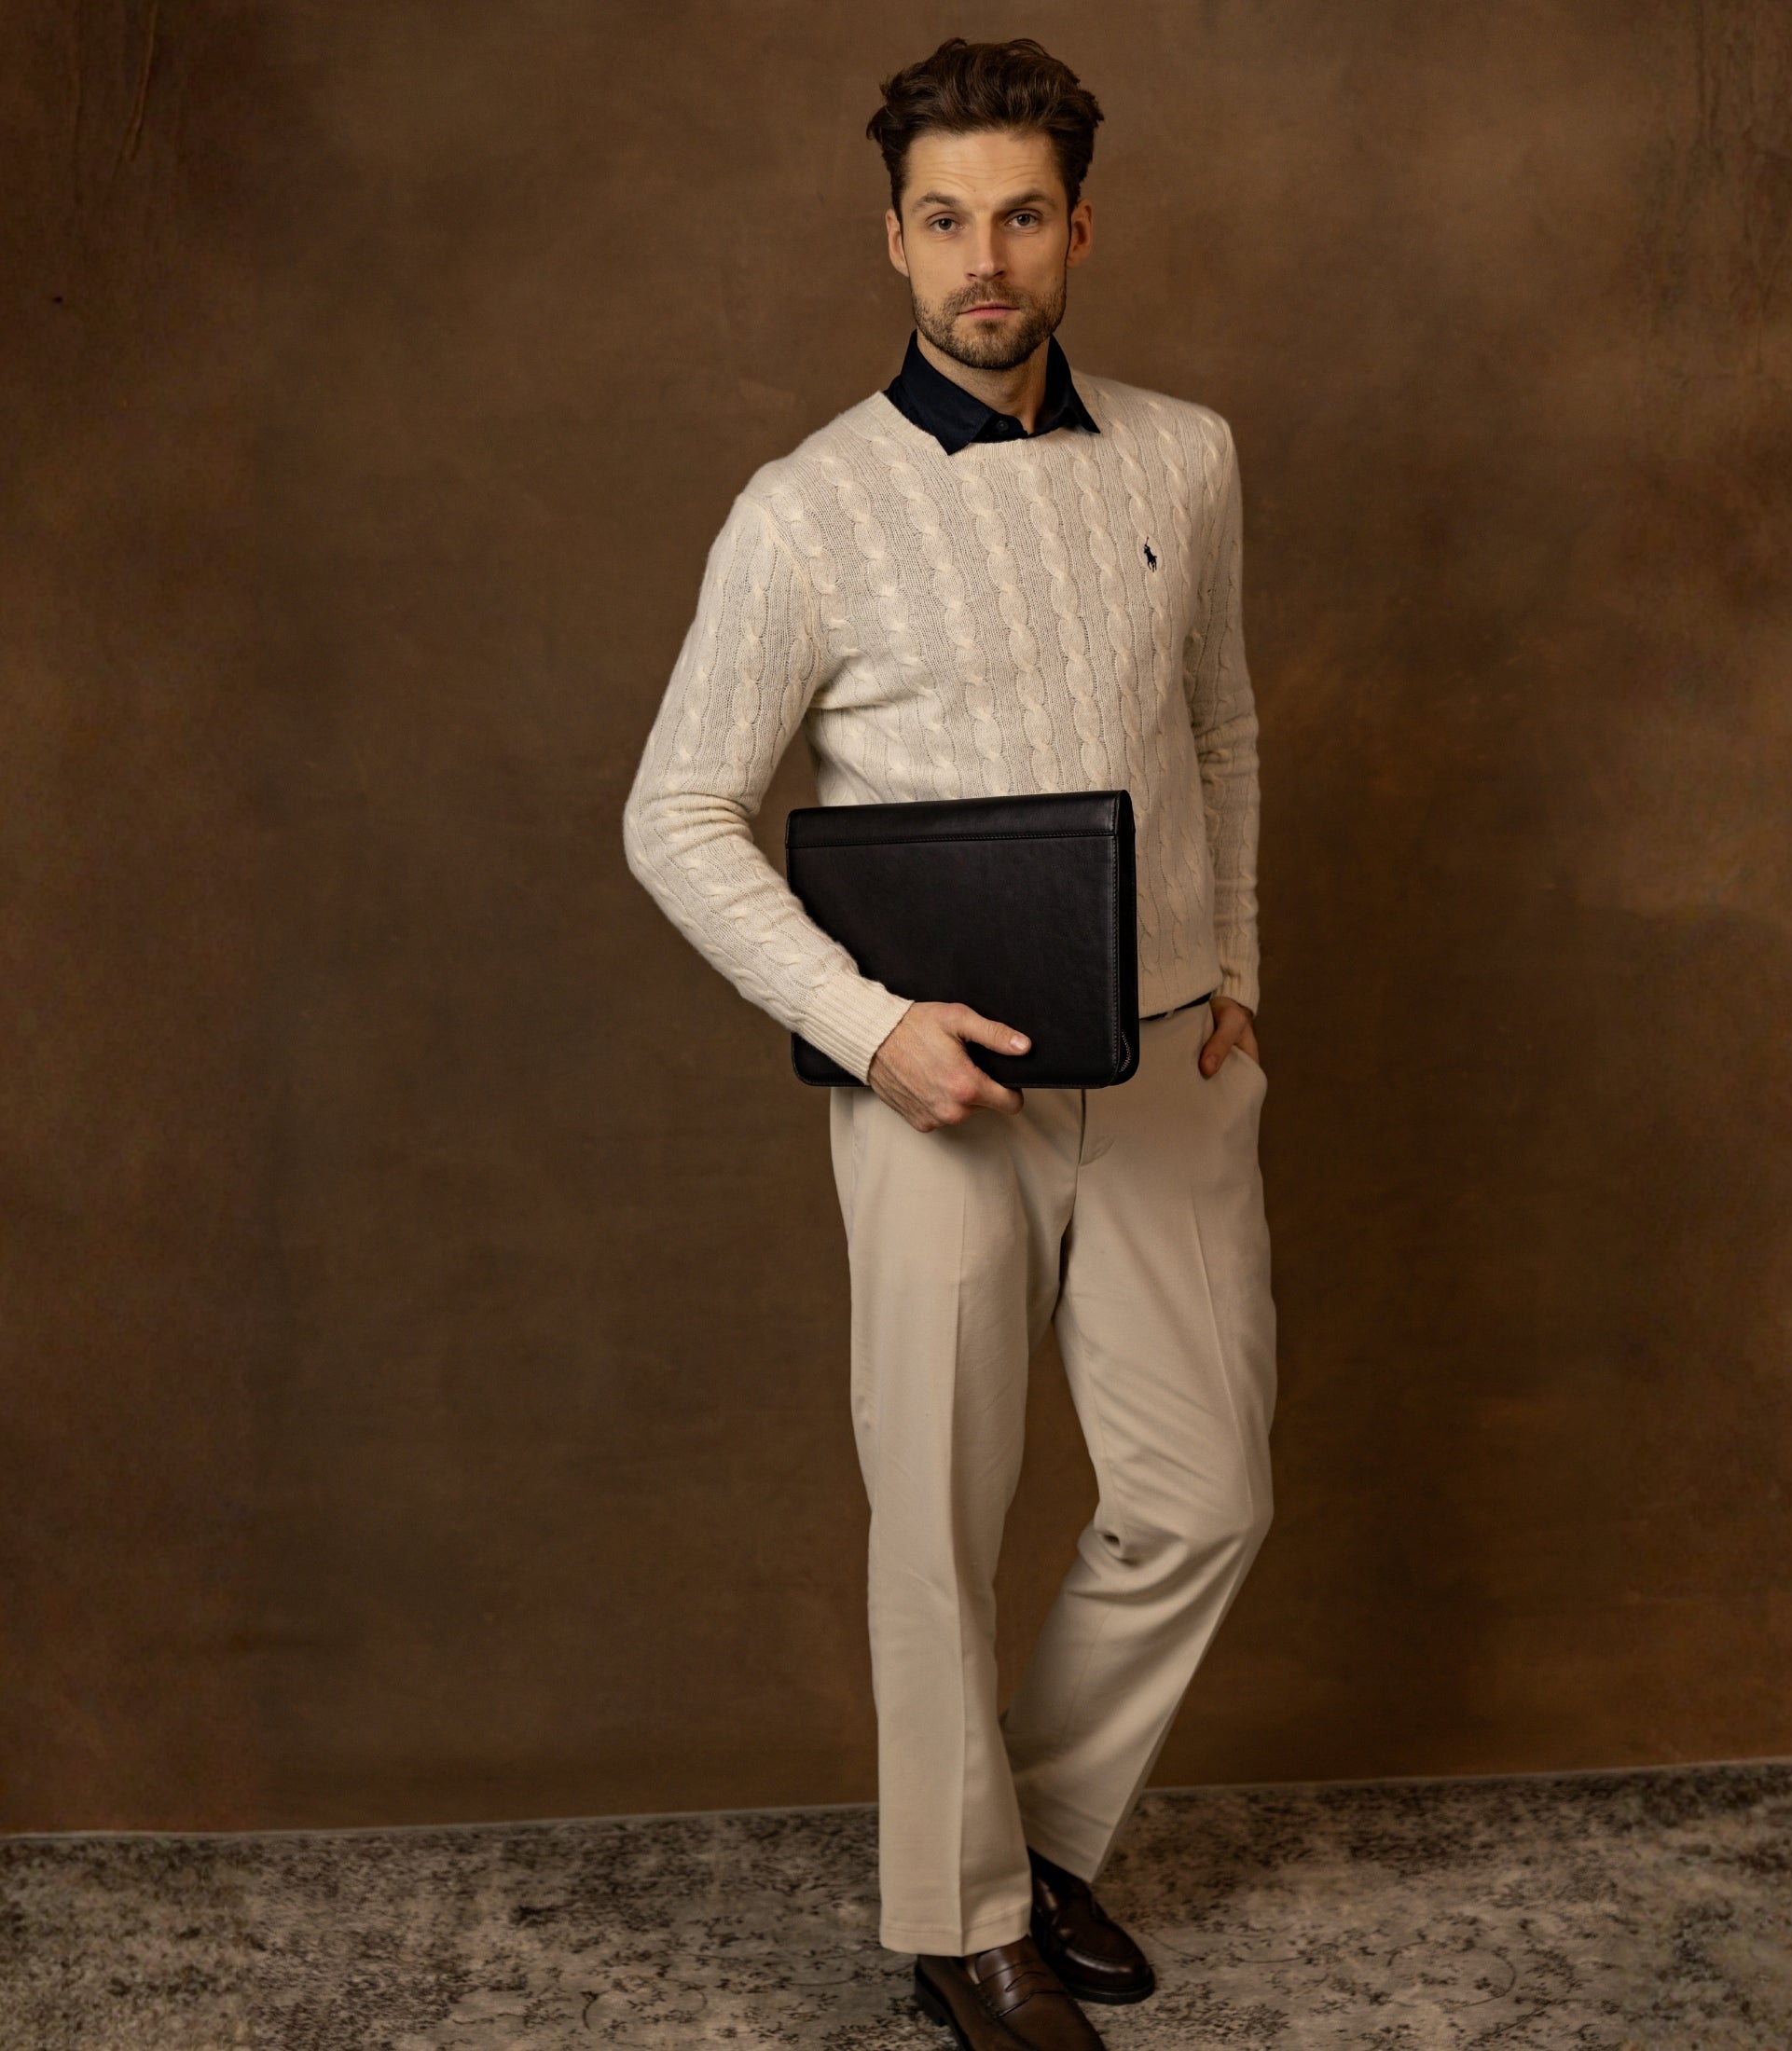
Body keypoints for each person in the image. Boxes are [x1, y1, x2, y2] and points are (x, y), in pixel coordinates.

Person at [623, 35, 1276, 2051]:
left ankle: (1043, 1839)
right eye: (943, 219)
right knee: (937, 1521)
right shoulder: (805, 510)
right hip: (937, 1095)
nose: (982, 259)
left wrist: (1238, 964)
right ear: (890, 239)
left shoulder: (1186, 455)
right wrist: (866, 1024)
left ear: (1079, 228)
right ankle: (961, 1917)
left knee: (1205, 1495)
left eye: (1019, 216)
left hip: (1166, 1071)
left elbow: (1221, 722)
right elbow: (674, 812)